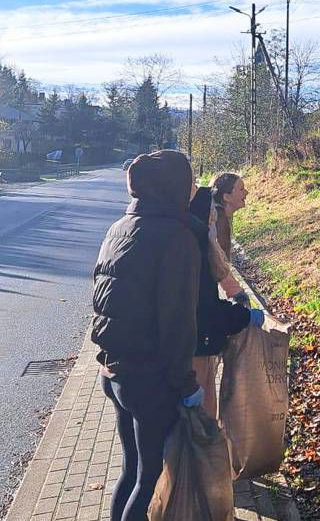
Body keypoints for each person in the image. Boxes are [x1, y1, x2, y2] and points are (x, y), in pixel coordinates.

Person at [90, 150, 204, 521]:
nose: (193, 189)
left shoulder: (121, 226)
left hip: (115, 371)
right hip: (149, 377)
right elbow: (177, 321)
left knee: (132, 469)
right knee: (150, 477)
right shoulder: (176, 236)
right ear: (173, 186)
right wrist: (187, 386)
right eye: (189, 181)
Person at [189, 185, 264, 417]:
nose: (215, 216)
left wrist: (236, 293)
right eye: (212, 212)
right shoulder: (199, 246)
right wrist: (243, 315)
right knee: (203, 417)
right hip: (196, 347)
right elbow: (206, 309)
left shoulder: (195, 240)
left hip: (192, 343)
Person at [210, 172, 248, 302]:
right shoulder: (219, 219)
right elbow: (219, 261)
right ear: (226, 196)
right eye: (241, 189)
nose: (246, 192)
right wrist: (236, 291)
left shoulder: (220, 214)